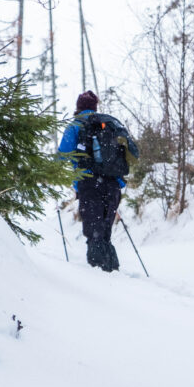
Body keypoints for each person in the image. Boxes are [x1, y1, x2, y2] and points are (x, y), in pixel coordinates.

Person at [59, 90, 138, 272]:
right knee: (104, 233)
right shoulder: (109, 124)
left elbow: (61, 157)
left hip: (89, 184)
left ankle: (100, 280)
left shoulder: (75, 126)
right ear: (95, 107)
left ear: (78, 108)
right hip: (113, 185)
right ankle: (111, 273)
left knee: (94, 234)